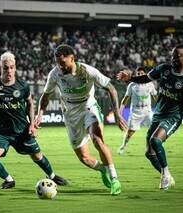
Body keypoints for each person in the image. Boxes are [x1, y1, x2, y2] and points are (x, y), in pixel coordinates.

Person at [35, 44, 128, 195]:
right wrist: (40, 114)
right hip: (70, 114)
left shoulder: (87, 71)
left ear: (72, 58)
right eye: (57, 63)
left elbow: (111, 88)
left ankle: (114, 179)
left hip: (88, 107)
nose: (60, 66)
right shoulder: (55, 74)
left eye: (63, 63)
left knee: (97, 140)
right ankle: (102, 169)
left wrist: (117, 114)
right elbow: (46, 96)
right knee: (84, 158)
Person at [0, 52, 67, 189]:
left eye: (12, 67)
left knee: (37, 157)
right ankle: (9, 180)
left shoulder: (23, 86)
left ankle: (52, 176)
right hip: (3, 132)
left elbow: (30, 104)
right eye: (6, 68)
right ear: (0, 67)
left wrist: (32, 124)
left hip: (22, 130)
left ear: (15, 67)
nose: (9, 71)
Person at [117, 44, 183, 190]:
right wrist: (130, 77)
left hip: (173, 117)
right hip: (158, 115)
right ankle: (167, 175)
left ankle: (166, 175)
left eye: (177, 56)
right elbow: (144, 79)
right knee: (149, 153)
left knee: (155, 140)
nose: (173, 58)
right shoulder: (164, 69)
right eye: (172, 55)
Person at [118, 67, 157, 155]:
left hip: (147, 111)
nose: (140, 75)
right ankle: (123, 145)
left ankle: (152, 148)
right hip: (136, 112)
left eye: (142, 73)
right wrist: (120, 112)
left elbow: (155, 96)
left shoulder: (150, 84)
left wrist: (160, 107)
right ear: (136, 75)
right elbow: (125, 99)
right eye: (138, 74)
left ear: (145, 75)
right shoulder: (132, 85)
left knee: (155, 130)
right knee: (130, 132)